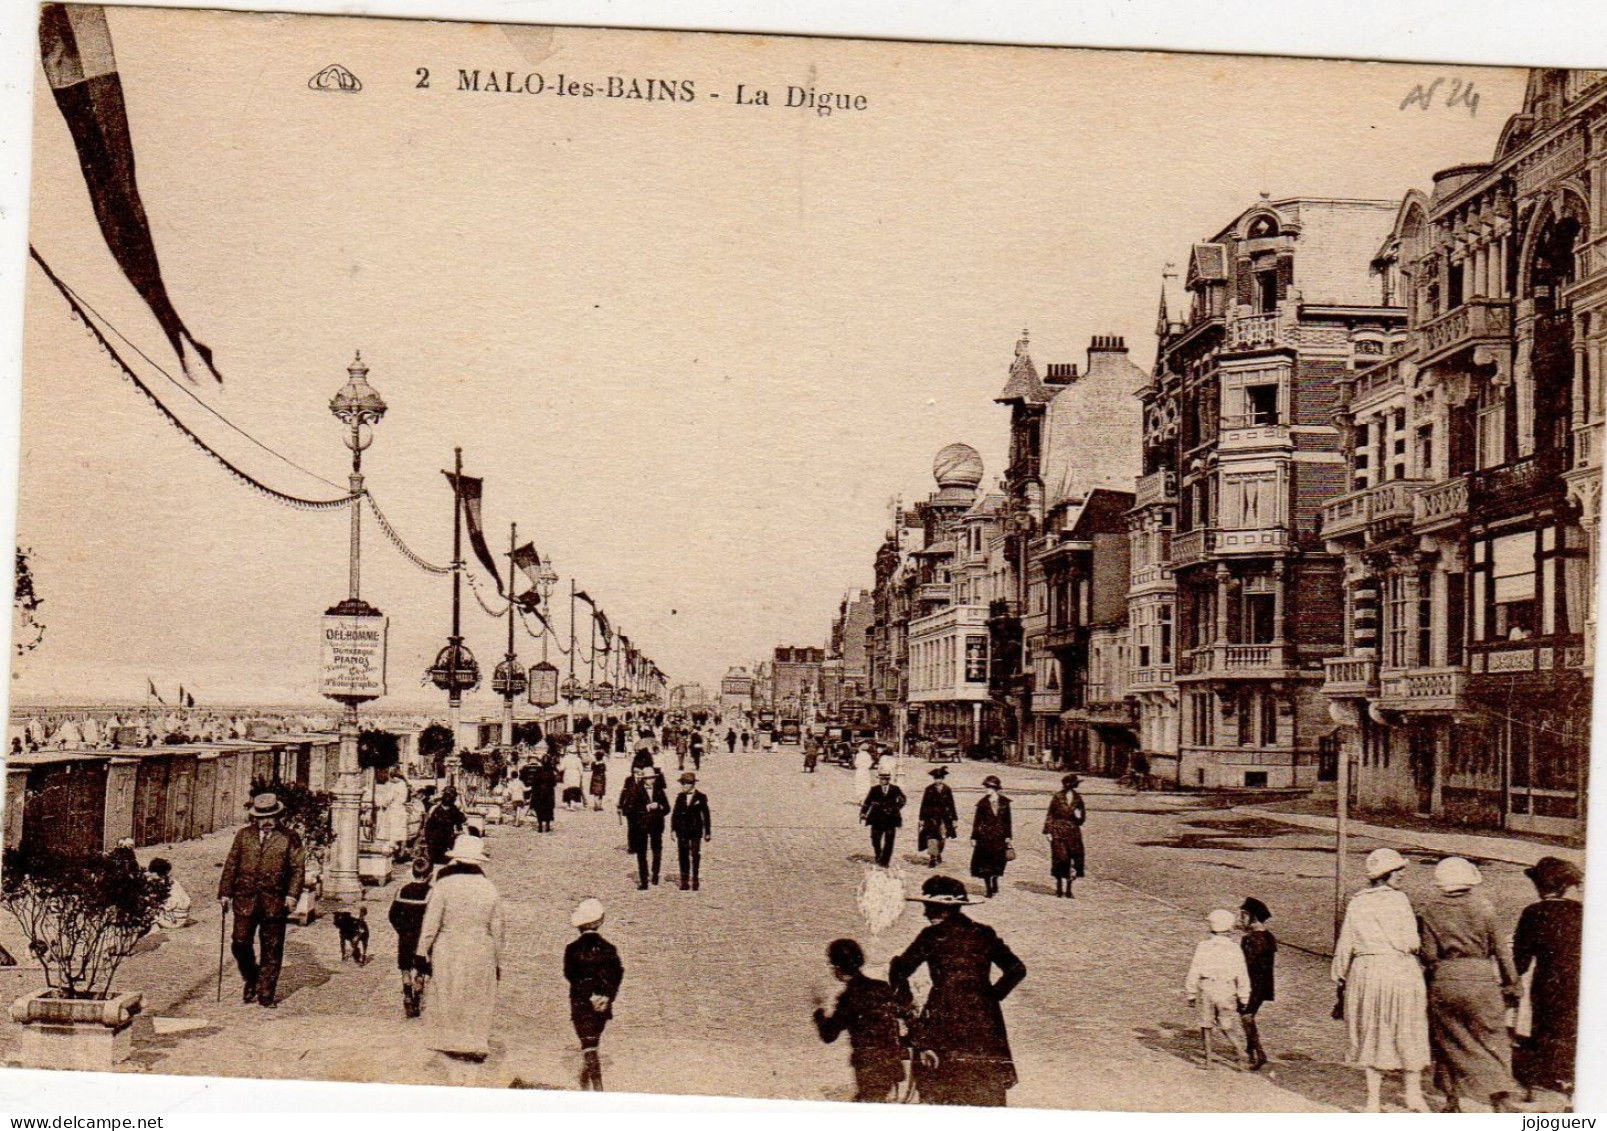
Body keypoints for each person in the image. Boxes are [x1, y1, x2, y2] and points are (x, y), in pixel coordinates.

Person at [890, 875, 1026, 1106]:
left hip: (944, 1017)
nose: (925, 914)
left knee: (942, 1087)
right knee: (984, 1088)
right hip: (985, 1023)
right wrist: (990, 997)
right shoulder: (984, 934)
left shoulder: (931, 936)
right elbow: (1016, 969)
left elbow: (899, 971)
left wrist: (907, 1006)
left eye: (928, 908)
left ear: (941, 909)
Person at [1332, 847, 1431, 1113]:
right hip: (1398, 970)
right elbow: (1411, 942)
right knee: (1407, 1029)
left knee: (1372, 1031)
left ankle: (1372, 1102)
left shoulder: (1357, 902)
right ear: (1386, 874)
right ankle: (1413, 1095)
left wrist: (1340, 977)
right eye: (1398, 870)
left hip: (1365, 973)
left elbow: (1345, 945)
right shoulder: (1399, 901)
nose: (1402, 874)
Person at [1418, 857, 1519, 1111]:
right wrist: (1512, 983)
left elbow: (1428, 954)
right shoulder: (1484, 907)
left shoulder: (1430, 909)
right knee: (1492, 1037)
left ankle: (1452, 1100)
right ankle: (1499, 1096)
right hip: (1481, 976)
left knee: (1446, 1038)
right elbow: (1501, 950)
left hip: (1445, 978)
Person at [416, 834, 505, 1061]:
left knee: (449, 992)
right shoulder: (489, 889)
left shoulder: (444, 886)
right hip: (480, 946)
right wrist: (497, 960)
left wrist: (421, 951)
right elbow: (498, 930)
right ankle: (475, 1041)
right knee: (477, 994)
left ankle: (451, 1040)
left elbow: (431, 923)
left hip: (449, 945)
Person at [217, 792, 306, 1008]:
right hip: (244, 899)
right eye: (262, 816)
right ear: (255, 817)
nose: (266, 821)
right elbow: (231, 864)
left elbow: (297, 869)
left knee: (272, 948)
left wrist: (292, 895)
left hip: (274, 901)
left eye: (271, 816)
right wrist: (225, 893)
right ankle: (252, 977)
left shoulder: (289, 837)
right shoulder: (243, 835)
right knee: (239, 943)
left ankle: (266, 994)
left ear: (278, 815)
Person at [1512, 856, 1583, 1102]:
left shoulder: (1534, 912)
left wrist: (1509, 983)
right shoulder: (1583, 913)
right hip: (1581, 979)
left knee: (1546, 1028)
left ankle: (1549, 1079)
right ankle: (1570, 1078)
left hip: (1548, 981)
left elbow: (1520, 959)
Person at [813, 938, 906, 1102]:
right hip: (892, 1066)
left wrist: (819, 1011)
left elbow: (828, 1035)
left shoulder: (849, 997)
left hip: (869, 1068)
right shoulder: (882, 987)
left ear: (837, 967)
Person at [564, 898, 624, 1091]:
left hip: (581, 1003)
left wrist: (588, 995)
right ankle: (592, 1080)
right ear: (600, 922)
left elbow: (571, 975)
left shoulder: (572, 949)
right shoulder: (609, 948)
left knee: (587, 1041)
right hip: (602, 1005)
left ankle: (595, 1083)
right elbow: (617, 973)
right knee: (594, 1038)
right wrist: (606, 995)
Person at [1186, 909, 1251, 1070]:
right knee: (1226, 1024)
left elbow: (1195, 969)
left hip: (1207, 986)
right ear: (1229, 929)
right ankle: (1240, 1051)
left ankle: (1208, 1061)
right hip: (1227, 988)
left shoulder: (1203, 946)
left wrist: (1191, 992)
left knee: (1206, 1024)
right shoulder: (1235, 948)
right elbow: (1242, 973)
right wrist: (1244, 996)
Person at [388, 855, 434, 1018]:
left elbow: (392, 915)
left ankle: (407, 993)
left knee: (405, 966)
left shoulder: (402, 891)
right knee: (421, 967)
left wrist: (401, 929)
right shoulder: (431, 894)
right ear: (430, 874)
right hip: (422, 937)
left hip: (405, 936)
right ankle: (418, 992)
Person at [619, 756, 670, 889]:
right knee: (641, 853)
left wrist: (659, 807)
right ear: (643, 779)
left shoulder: (659, 790)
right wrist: (645, 808)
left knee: (657, 851)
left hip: (657, 824)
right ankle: (643, 880)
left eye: (652, 778)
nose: (650, 781)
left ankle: (655, 874)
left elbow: (667, 808)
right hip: (641, 825)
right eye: (648, 778)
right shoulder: (635, 790)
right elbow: (630, 808)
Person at [1238, 897, 1276, 1070]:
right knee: (1248, 1017)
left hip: (1252, 985)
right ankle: (1250, 1051)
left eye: (1243, 916)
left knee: (1247, 1017)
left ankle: (1259, 1054)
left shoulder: (1251, 940)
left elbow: (1245, 964)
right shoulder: (1268, 937)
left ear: (1253, 917)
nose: (1241, 920)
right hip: (1263, 985)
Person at [1042, 773, 1086, 898]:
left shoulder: (1078, 798)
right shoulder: (1057, 797)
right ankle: (1059, 887)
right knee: (1060, 859)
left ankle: (1069, 889)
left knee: (1073, 860)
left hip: (1073, 832)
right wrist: (1048, 831)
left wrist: (1079, 816)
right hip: (1058, 830)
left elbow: (1082, 819)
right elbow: (1050, 814)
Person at [969, 776, 1013, 898]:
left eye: (988, 787)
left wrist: (1008, 836)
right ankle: (988, 888)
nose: (986, 790)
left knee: (998, 862)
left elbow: (1008, 821)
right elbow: (977, 822)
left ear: (994, 788)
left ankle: (995, 879)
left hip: (1000, 837)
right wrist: (974, 837)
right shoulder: (982, 803)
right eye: (986, 787)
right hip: (985, 838)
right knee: (985, 864)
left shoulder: (1004, 802)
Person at [670, 771, 713, 891]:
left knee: (695, 854)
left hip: (695, 830)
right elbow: (675, 814)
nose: (683, 786)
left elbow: (706, 815)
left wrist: (707, 831)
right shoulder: (680, 797)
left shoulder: (701, 797)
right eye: (682, 784)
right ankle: (684, 880)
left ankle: (695, 879)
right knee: (683, 855)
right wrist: (673, 829)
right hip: (682, 830)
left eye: (686, 784)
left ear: (692, 785)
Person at [859, 770, 906, 868]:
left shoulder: (895, 789)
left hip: (891, 819)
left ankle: (885, 861)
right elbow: (867, 802)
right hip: (877, 818)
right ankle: (878, 854)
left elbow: (903, 799)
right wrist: (863, 812)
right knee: (875, 839)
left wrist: (896, 808)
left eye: (884, 779)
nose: (882, 781)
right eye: (881, 779)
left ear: (888, 780)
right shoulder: (874, 789)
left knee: (889, 840)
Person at [917, 767, 958, 867]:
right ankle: (932, 858)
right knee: (932, 837)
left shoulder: (947, 789)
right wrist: (922, 818)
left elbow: (951, 804)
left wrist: (954, 819)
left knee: (942, 838)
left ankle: (938, 852)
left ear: (942, 779)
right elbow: (924, 804)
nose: (937, 780)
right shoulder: (929, 789)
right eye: (935, 778)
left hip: (944, 818)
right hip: (931, 818)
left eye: (939, 778)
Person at [422, 786, 465, 866]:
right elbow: (428, 827)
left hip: (446, 841)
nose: (448, 798)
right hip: (435, 841)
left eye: (451, 796)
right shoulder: (436, 809)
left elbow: (460, 825)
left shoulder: (454, 810)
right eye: (447, 795)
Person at [373, 768, 411, 854]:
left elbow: (388, 799)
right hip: (401, 809)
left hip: (394, 810)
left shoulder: (395, 786)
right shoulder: (404, 784)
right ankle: (398, 848)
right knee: (399, 830)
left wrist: (382, 804)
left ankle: (392, 847)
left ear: (394, 777)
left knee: (391, 830)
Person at [148, 857, 192, 929]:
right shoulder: (172, 882)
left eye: (158, 880)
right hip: (181, 915)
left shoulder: (169, 886)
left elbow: (170, 904)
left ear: (162, 875)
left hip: (174, 919)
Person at [560, 746, 585, 811]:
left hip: (568, 774)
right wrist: (581, 775)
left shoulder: (565, 758)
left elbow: (561, 768)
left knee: (568, 789)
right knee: (574, 789)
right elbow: (581, 768)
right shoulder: (577, 759)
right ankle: (572, 804)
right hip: (575, 774)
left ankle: (568, 804)